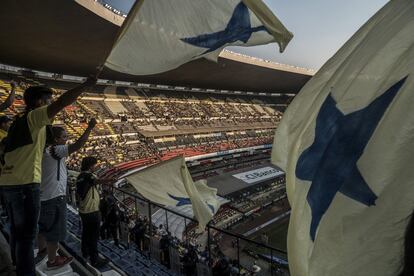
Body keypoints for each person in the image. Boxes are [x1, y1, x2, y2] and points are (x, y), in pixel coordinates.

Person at [0, 77, 96, 276]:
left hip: (8, 183)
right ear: (39, 103)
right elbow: (62, 103)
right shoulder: (34, 118)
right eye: (48, 101)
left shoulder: (17, 121)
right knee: (27, 237)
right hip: (25, 184)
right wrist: (84, 86)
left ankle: (17, 266)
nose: (52, 105)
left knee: (18, 234)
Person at [36, 118, 97, 270]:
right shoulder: (54, 150)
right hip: (54, 197)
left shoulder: (41, 150)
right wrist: (89, 127)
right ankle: (52, 260)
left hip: (43, 195)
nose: (66, 140)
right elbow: (78, 145)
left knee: (43, 227)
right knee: (54, 231)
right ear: (55, 139)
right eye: (64, 137)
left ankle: (42, 250)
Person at [76, 156, 111, 268]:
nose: (96, 167)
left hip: (84, 210)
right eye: (95, 165)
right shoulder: (88, 175)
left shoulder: (81, 176)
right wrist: (110, 180)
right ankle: (95, 260)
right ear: (90, 166)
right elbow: (96, 180)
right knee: (93, 236)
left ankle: (85, 252)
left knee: (86, 233)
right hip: (92, 211)